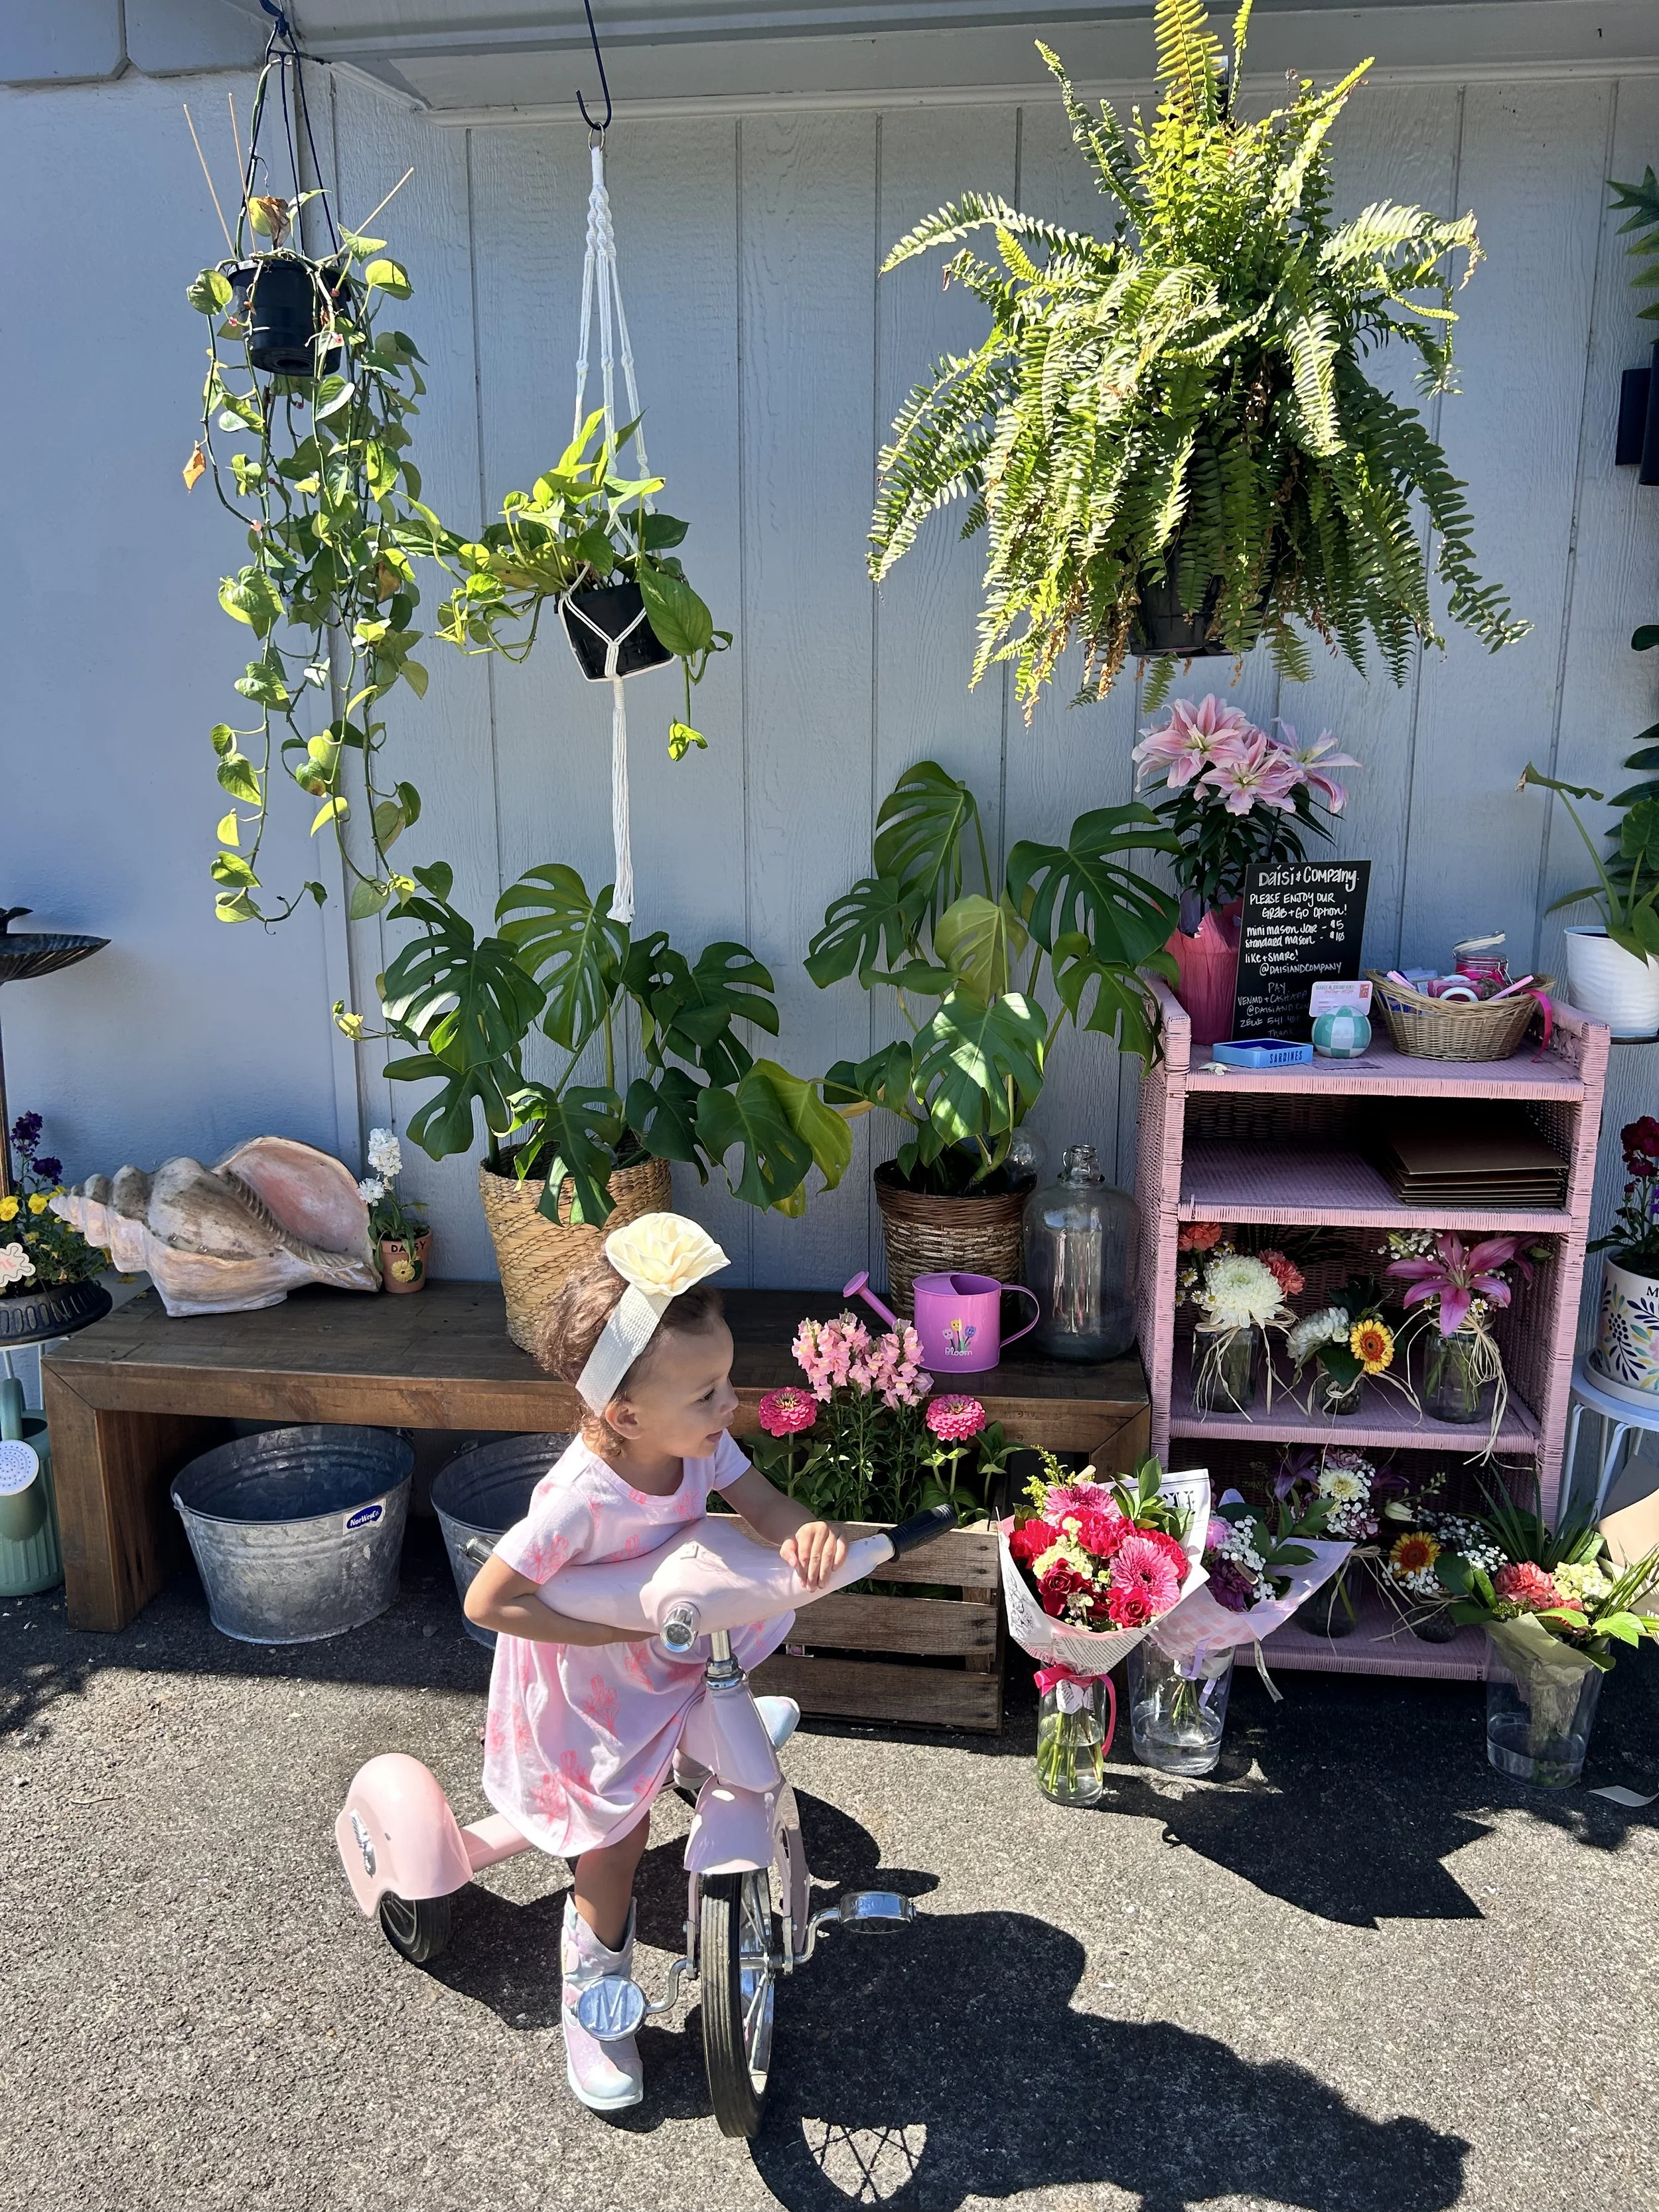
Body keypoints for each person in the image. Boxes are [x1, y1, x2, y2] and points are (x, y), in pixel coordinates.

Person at [464, 1212, 847, 2114]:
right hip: (594, 1687)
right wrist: (600, 1634)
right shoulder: (578, 1499)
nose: (732, 1407)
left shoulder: (698, 1445)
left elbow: (759, 1501)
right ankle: (592, 1995)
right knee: (613, 1851)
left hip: (672, 1649)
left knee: (723, 1663)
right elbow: (489, 1600)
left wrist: (806, 1534)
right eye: (708, 1393)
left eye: (725, 1384)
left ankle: (702, 1741)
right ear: (626, 1414)